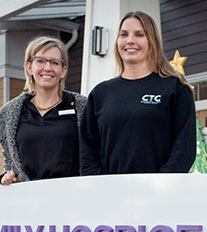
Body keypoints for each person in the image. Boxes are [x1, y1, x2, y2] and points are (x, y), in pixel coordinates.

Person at [79, 11, 196, 175]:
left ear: (152, 40)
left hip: (159, 194)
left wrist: (160, 184)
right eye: (124, 35)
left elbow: (184, 148)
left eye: (139, 34)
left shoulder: (175, 88)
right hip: (110, 195)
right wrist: (102, 186)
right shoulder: (100, 94)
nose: (130, 41)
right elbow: (87, 151)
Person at [0, 36, 86, 185]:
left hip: (71, 196)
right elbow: (10, 161)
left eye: (54, 62)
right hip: (29, 199)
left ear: (63, 70)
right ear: (29, 67)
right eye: (41, 61)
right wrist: (7, 176)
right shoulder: (8, 114)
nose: (48, 68)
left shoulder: (83, 107)